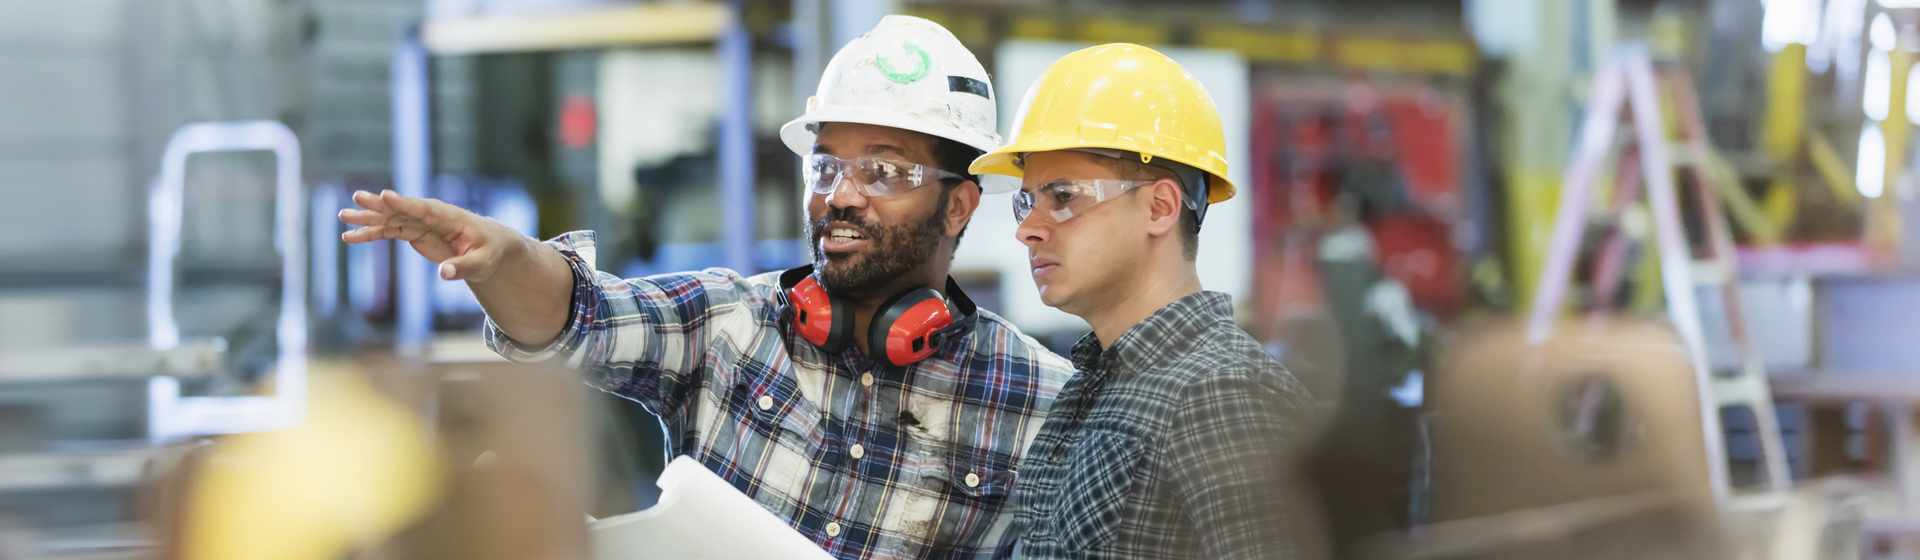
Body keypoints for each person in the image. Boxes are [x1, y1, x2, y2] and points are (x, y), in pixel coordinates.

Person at [338, 16, 1072, 560]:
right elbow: (578, 314)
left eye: (882, 171)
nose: (840, 196)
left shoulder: (1041, 402)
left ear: (960, 205)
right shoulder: (731, 322)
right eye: (825, 166)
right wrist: (497, 256)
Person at [968, 44, 1326, 559]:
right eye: (1027, 201)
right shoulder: (1096, 389)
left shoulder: (1222, 395)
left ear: (1159, 207)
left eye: (1064, 197)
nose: (1028, 230)